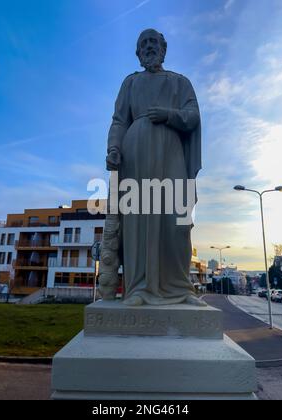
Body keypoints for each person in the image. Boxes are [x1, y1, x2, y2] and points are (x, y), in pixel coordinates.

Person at [104, 29, 205, 307]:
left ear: (164, 48)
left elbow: (193, 116)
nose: (149, 47)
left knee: (178, 221)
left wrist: (168, 115)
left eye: (154, 42)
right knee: (138, 221)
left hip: (171, 152)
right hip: (135, 155)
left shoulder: (179, 82)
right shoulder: (130, 83)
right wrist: (114, 148)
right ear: (138, 53)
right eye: (143, 44)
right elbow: (119, 120)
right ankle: (138, 288)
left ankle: (182, 288)